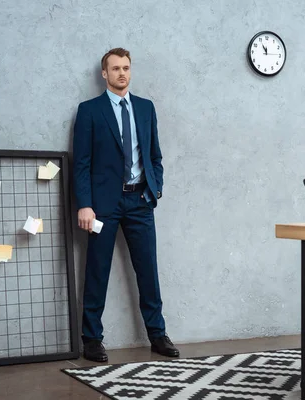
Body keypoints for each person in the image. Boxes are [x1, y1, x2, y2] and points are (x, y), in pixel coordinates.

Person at [72, 48, 179, 362]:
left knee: (148, 271)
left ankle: (157, 335)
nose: (122, 73)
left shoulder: (146, 108)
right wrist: (85, 205)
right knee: (97, 271)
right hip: (103, 204)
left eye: (126, 68)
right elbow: (81, 163)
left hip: (139, 200)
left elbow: (155, 155)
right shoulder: (90, 110)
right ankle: (92, 339)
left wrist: (154, 188)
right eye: (115, 68)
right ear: (104, 74)